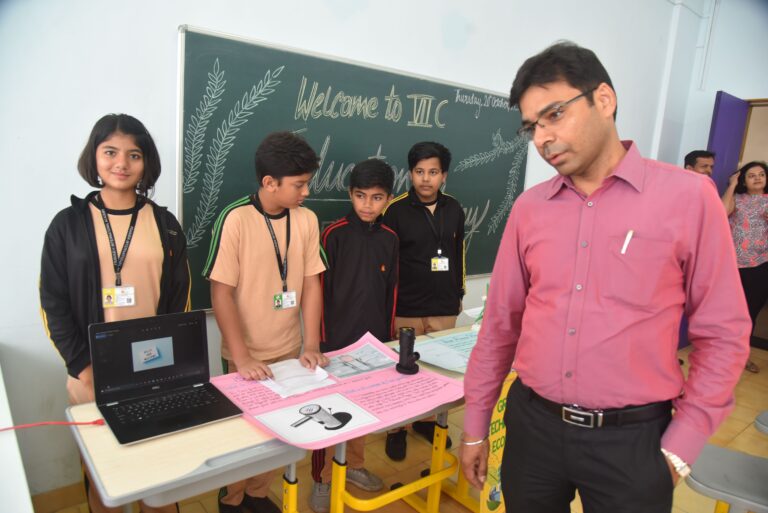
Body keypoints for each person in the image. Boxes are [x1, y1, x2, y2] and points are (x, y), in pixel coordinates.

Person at [460, 42, 751, 513]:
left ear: (604, 100)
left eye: (554, 115)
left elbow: (723, 333)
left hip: (633, 443)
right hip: (532, 430)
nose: (542, 138)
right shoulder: (530, 209)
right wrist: (475, 425)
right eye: (532, 126)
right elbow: (499, 327)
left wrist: (683, 442)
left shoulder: (689, 198)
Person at [40, 114, 190, 513]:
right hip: (92, 374)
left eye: (134, 154)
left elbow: (180, 299)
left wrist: (170, 369)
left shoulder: (165, 224)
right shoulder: (66, 226)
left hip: (153, 372)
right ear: (94, 157)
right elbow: (52, 301)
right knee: (106, 478)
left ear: (146, 163)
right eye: (110, 151)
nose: (121, 163)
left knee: (158, 477)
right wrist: (83, 367)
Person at [204, 131, 327, 513]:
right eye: (299, 184)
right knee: (241, 439)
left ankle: (258, 495)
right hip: (247, 356)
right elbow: (220, 293)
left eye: (307, 183)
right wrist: (241, 358)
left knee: (279, 433)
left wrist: (310, 344)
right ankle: (233, 498)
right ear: (269, 183)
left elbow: (311, 283)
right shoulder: (236, 219)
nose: (306, 192)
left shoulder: (306, 219)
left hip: (289, 351)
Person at [308, 158, 398, 513]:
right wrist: (321, 342)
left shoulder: (390, 239)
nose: (367, 205)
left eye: (376, 198)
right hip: (335, 345)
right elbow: (319, 290)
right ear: (350, 194)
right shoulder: (334, 234)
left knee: (362, 410)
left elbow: (391, 291)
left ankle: (354, 465)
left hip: (374, 344)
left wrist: (388, 342)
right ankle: (323, 479)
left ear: (388, 199)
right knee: (330, 413)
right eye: (361, 196)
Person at [381, 141, 464, 460]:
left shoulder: (454, 208)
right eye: (419, 172)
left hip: (444, 306)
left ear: (444, 175)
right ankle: (397, 428)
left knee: (438, 369)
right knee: (401, 369)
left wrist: (458, 294)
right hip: (406, 307)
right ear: (411, 173)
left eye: (433, 172)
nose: (426, 179)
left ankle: (427, 421)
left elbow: (459, 253)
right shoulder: (396, 209)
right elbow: (387, 261)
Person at [722, 161, 768, 374]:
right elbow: (721, 213)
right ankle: (722, 357)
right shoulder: (737, 199)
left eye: (761, 174)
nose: (758, 178)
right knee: (727, 313)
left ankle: (743, 358)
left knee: (749, 315)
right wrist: (731, 185)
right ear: (743, 180)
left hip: (760, 267)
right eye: (752, 175)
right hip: (732, 267)